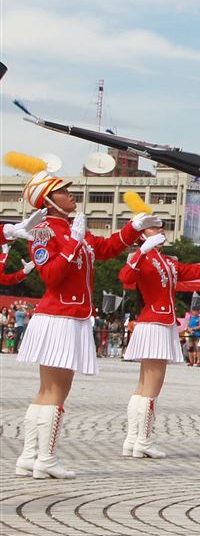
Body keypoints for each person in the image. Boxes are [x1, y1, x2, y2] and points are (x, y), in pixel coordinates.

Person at [7, 151, 159, 479]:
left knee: (48, 391)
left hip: (68, 316)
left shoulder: (71, 227)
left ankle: (30, 456)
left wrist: (133, 227)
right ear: (48, 199)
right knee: (55, 391)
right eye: (63, 190)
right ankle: (44, 458)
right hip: (59, 316)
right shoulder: (45, 232)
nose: (71, 194)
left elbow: (104, 249)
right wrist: (74, 243)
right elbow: (50, 277)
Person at [118, 221, 200, 458]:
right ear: (142, 235)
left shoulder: (167, 261)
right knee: (151, 385)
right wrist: (141, 251)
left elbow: (195, 271)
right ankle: (142, 440)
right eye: (154, 228)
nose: (161, 231)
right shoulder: (141, 258)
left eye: (161, 228)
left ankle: (133, 440)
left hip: (161, 322)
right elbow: (126, 277)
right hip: (154, 323)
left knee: (144, 386)